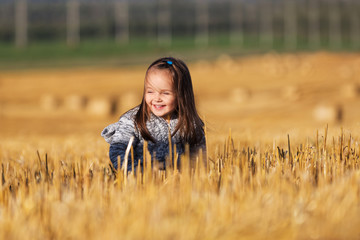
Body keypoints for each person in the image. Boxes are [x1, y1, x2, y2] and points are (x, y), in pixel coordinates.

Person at [101, 57, 206, 171]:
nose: (156, 98)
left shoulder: (189, 123)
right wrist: (134, 172)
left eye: (165, 93)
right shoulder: (132, 121)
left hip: (176, 184)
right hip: (141, 183)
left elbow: (199, 158)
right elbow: (118, 151)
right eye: (150, 91)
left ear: (181, 95)